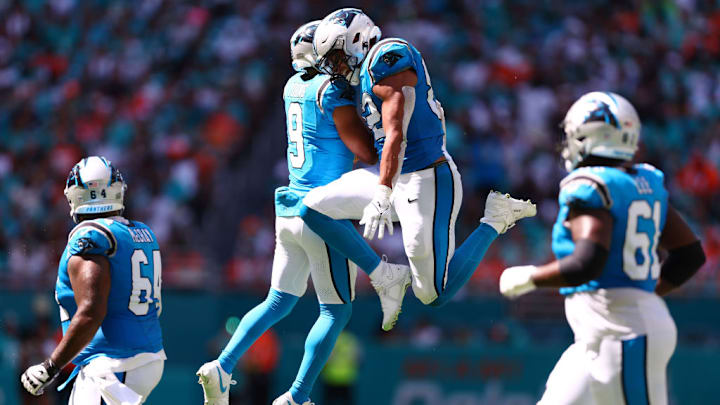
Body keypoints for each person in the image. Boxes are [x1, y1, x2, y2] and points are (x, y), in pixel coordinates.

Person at [299, 8, 536, 330]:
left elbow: (397, 130)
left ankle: (495, 218)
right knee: (313, 208)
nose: (336, 69)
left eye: (338, 59)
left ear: (357, 41)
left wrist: (383, 192)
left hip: (427, 177)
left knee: (433, 294)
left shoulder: (388, 54)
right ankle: (385, 274)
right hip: (391, 174)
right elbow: (371, 150)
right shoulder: (355, 81)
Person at [196, 21, 390, 405]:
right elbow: (365, 151)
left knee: (278, 301)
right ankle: (297, 396)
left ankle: (222, 365)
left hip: (288, 208)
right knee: (337, 310)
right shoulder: (331, 88)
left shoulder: (291, 86)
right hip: (323, 210)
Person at [498, 92, 706, 405]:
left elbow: (588, 262)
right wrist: (642, 292)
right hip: (602, 333)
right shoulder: (644, 182)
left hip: (623, 332)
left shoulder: (591, 185)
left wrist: (530, 278)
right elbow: (690, 256)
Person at [20, 156, 165, 404]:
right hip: (142, 358)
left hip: (113, 364)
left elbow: (91, 311)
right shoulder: (140, 232)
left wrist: (50, 366)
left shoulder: (91, 236)